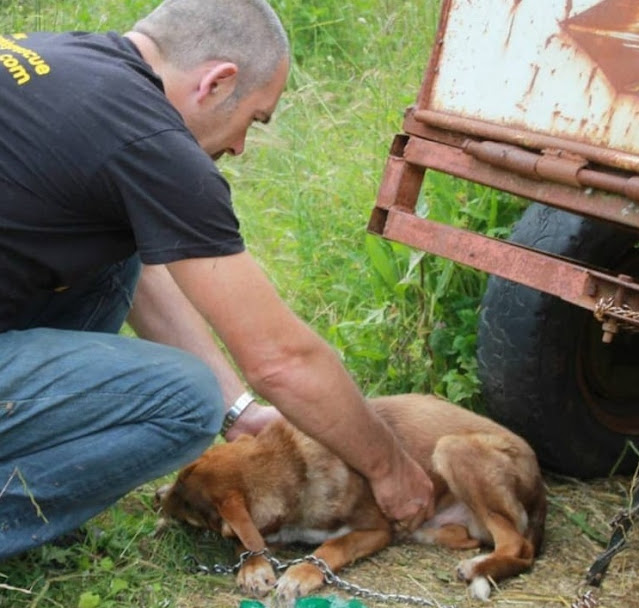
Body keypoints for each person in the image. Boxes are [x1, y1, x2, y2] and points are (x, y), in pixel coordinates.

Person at [0, 0, 434, 561]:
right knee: (186, 400)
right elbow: (281, 359)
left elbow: (146, 271)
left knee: (118, 253)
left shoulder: (63, 57)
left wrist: (241, 414)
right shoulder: (151, 144)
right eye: (254, 119)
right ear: (218, 82)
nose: (239, 147)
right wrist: (390, 468)